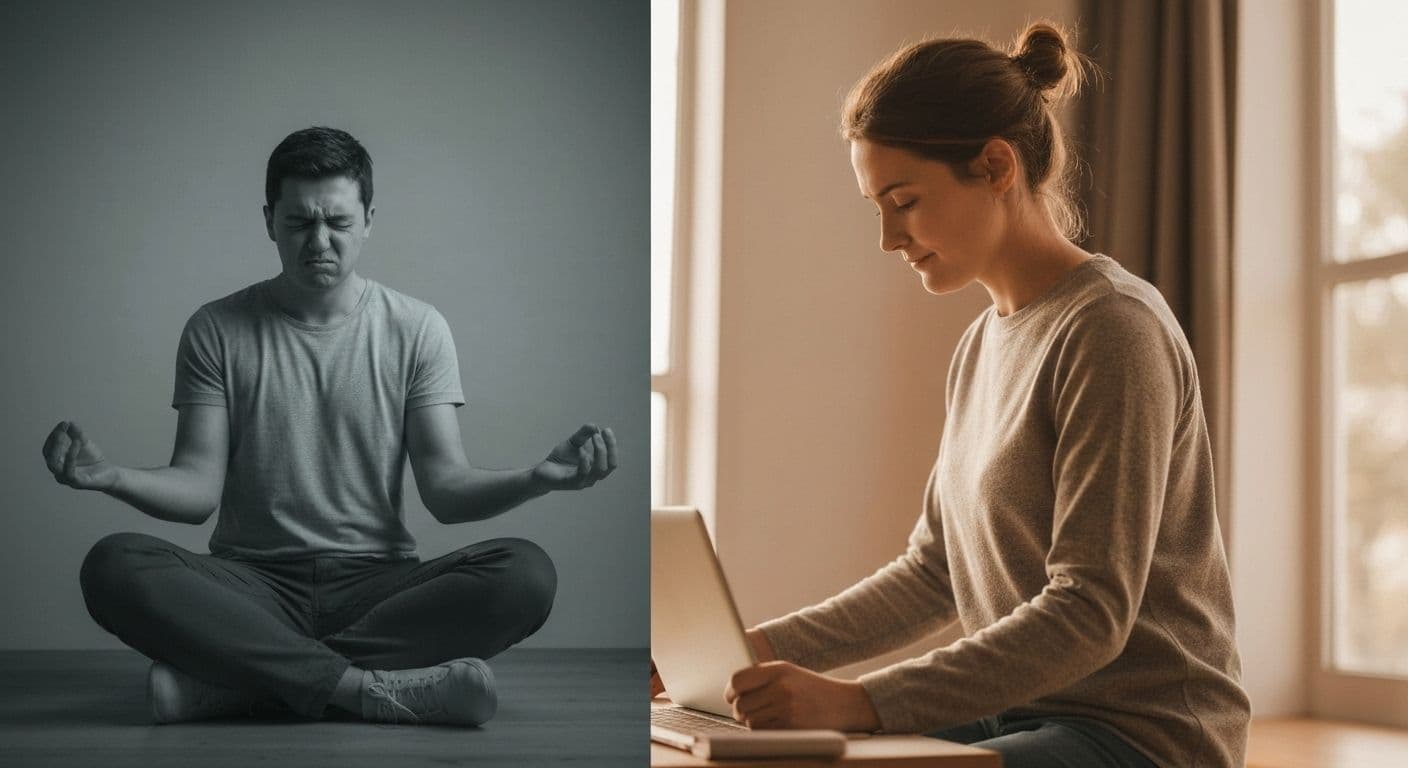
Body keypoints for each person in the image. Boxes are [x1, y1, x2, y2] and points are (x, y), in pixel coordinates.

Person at [652, 22, 1250, 768]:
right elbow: (933, 574)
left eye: (904, 200)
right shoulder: (981, 346)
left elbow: (1092, 610)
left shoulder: (1112, 329)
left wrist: (862, 700)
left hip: (1142, 736)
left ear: (996, 165)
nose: (887, 237)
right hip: (1021, 715)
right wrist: (742, 657)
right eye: (876, 204)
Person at [44, 126, 619, 727]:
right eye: (298, 223)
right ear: (269, 221)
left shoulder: (417, 329)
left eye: (338, 223)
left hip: (378, 588)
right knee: (113, 565)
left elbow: (447, 492)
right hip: (251, 587)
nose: (319, 241)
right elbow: (196, 493)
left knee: (525, 574)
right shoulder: (216, 328)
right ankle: (363, 688)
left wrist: (537, 478)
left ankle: (240, 688)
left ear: (369, 219)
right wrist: (111, 477)